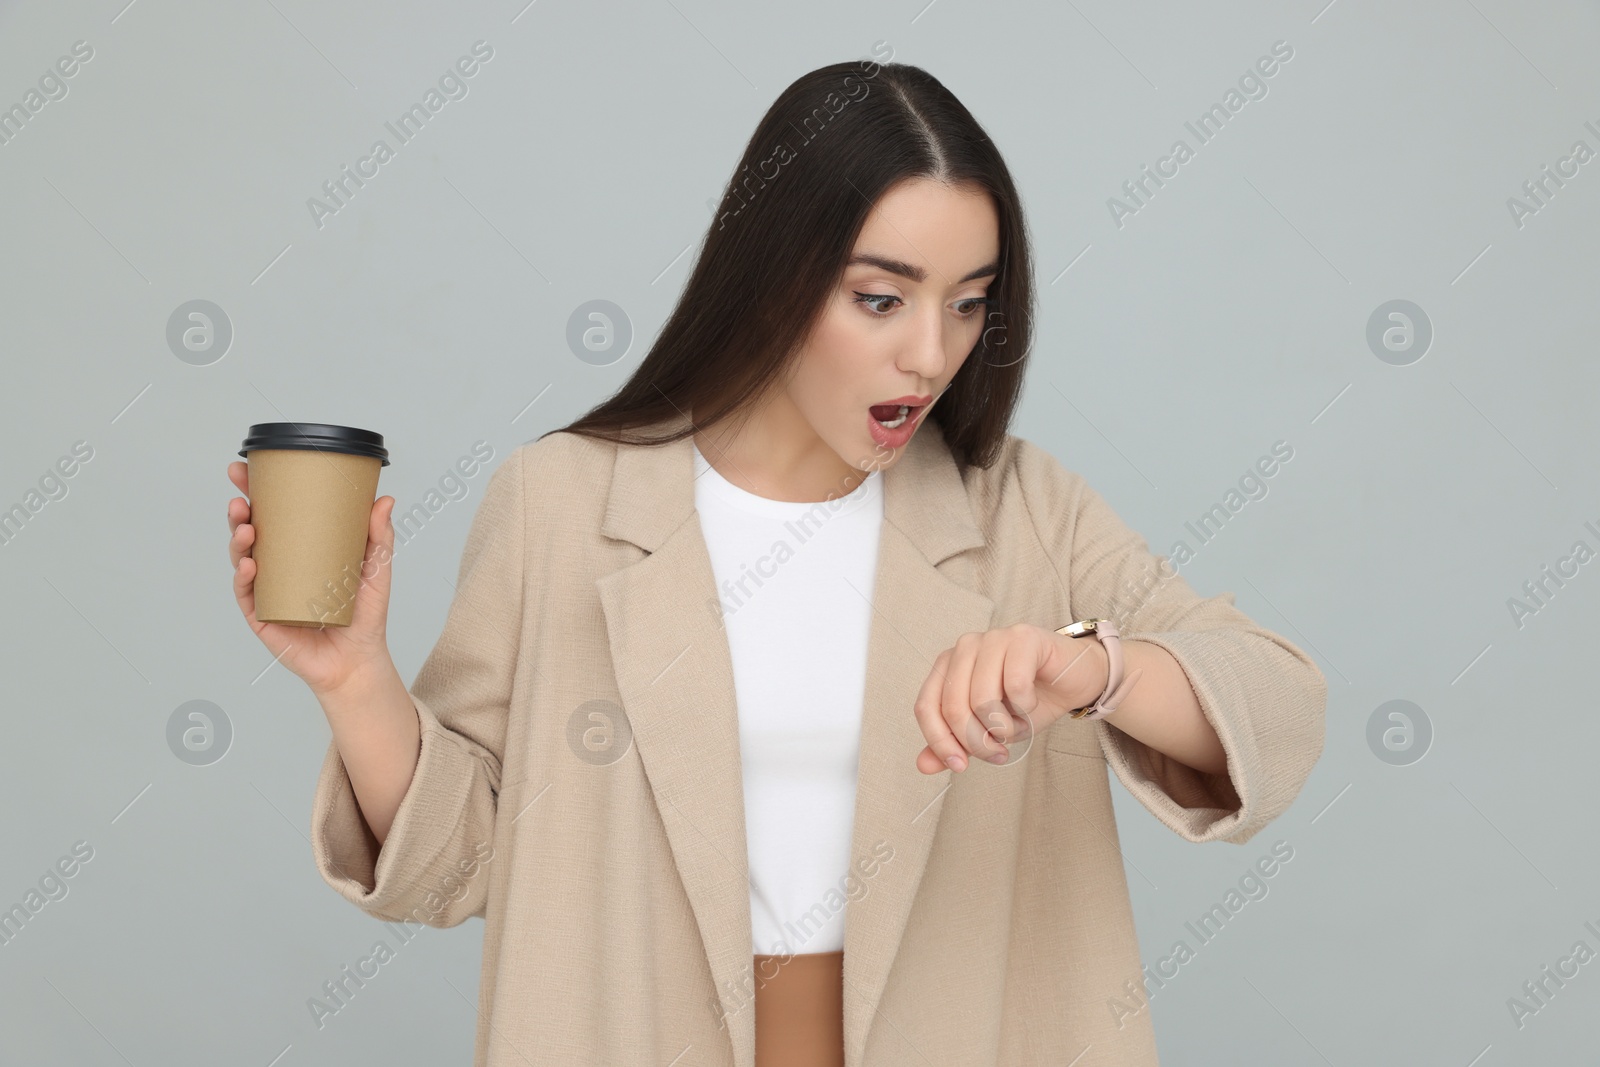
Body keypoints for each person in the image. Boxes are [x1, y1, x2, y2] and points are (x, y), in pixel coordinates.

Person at [227, 58, 1325, 1067]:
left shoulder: (1022, 508)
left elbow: (1274, 708)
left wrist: (1092, 668)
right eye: (880, 298)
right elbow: (460, 864)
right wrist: (354, 678)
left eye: (969, 301)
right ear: (771, 275)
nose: (931, 352)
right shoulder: (561, 502)